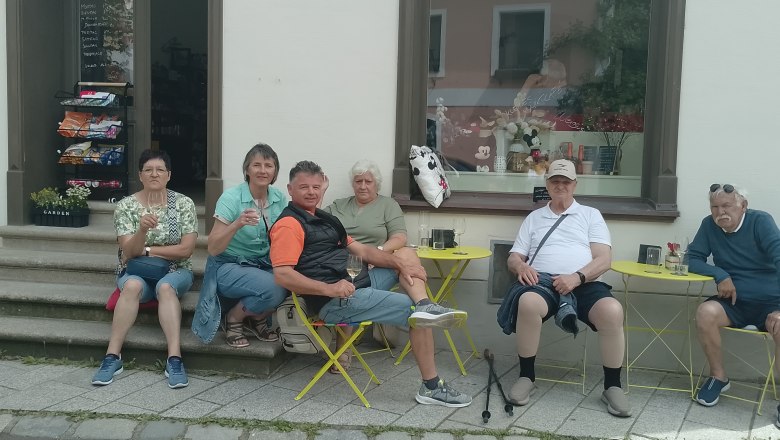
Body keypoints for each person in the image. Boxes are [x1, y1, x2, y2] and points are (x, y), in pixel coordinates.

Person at [269, 160, 471, 407]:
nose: (311, 192)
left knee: (404, 256)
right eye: (304, 187)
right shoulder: (289, 225)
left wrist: (399, 265)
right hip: (334, 299)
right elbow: (283, 275)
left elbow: (362, 250)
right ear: (290, 190)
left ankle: (425, 303)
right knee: (414, 314)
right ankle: (431, 386)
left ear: (322, 186)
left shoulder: (325, 218)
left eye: (315, 186)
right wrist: (330, 289)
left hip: (356, 280)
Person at [498, 159, 631, 417]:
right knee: (527, 303)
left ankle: (612, 386)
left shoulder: (591, 215)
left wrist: (576, 278)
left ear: (574, 185)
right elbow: (514, 256)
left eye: (565, 182)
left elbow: (604, 260)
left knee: (613, 311)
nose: (560, 186)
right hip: (544, 282)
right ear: (547, 184)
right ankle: (527, 377)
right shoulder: (534, 218)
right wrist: (521, 268)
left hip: (584, 283)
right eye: (555, 181)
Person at [92, 149, 198, 389]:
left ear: (168, 175)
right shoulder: (126, 206)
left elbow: (186, 250)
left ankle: (174, 359)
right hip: (137, 270)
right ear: (140, 175)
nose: (154, 174)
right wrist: (141, 231)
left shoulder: (182, 204)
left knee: (166, 287)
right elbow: (129, 253)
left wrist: (149, 251)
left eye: (160, 170)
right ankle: (112, 357)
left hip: (176, 270)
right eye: (148, 170)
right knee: (131, 285)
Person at [322, 159, 440, 373]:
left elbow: (399, 236)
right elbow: (320, 227)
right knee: (351, 277)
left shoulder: (388, 205)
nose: (363, 186)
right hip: (345, 266)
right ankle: (343, 349)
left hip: (378, 265)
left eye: (368, 181)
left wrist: (378, 254)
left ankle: (423, 303)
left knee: (406, 253)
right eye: (358, 181)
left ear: (376, 183)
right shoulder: (338, 205)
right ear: (353, 184)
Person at [690, 184, 780, 412]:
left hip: (771, 303)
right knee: (705, 312)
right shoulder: (709, 225)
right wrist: (720, 274)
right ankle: (719, 377)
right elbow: (691, 258)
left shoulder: (760, 221)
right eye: (715, 207)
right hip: (734, 303)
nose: (721, 212)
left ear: (743, 206)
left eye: (727, 205)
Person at [192, 143, 287, 348]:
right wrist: (237, 224)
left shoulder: (279, 198)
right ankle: (234, 318)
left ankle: (256, 317)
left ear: (275, 171)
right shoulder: (231, 198)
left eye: (269, 165)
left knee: (300, 280)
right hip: (229, 266)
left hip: (264, 264)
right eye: (256, 165)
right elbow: (213, 248)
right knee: (275, 288)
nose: (263, 170)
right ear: (247, 170)